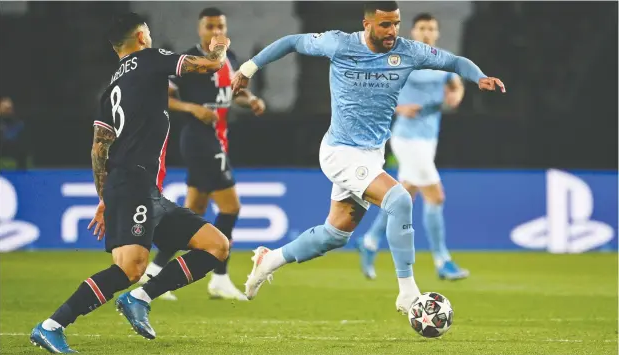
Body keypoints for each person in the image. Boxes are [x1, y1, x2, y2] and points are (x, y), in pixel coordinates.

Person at [231, 1, 505, 313]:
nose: (392, 32)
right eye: (385, 25)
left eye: (396, 24)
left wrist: (479, 76)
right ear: (367, 24)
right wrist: (247, 69)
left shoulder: (409, 51)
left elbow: (454, 62)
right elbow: (292, 42)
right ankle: (407, 291)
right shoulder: (340, 43)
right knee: (400, 200)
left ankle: (271, 259)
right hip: (341, 151)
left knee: (334, 235)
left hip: (371, 155)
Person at [30, 13, 232, 353]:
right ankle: (51, 326)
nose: (151, 38)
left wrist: (105, 196)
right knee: (128, 268)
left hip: (136, 186)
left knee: (216, 245)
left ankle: (139, 298)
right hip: (132, 182)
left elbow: (99, 145)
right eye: (149, 33)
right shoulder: (149, 59)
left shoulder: (111, 87)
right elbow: (209, 66)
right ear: (141, 37)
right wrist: (220, 48)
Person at [140, 7, 266, 302]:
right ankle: (219, 278)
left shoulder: (229, 59)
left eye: (220, 26)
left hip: (218, 140)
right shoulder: (190, 61)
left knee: (193, 212)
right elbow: (164, 97)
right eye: (210, 26)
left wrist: (252, 100)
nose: (215, 32)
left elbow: (234, 93)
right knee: (231, 208)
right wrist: (193, 108)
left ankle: (154, 271)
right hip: (198, 139)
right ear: (200, 30)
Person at [358, 13, 470, 281]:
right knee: (436, 197)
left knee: (403, 198)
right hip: (407, 139)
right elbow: (373, 91)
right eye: (422, 28)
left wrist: (456, 95)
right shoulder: (400, 59)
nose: (427, 32)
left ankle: (370, 241)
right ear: (413, 32)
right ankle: (443, 261)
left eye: (432, 28)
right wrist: (398, 108)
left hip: (429, 138)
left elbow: (456, 85)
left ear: (437, 33)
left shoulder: (442, 61)